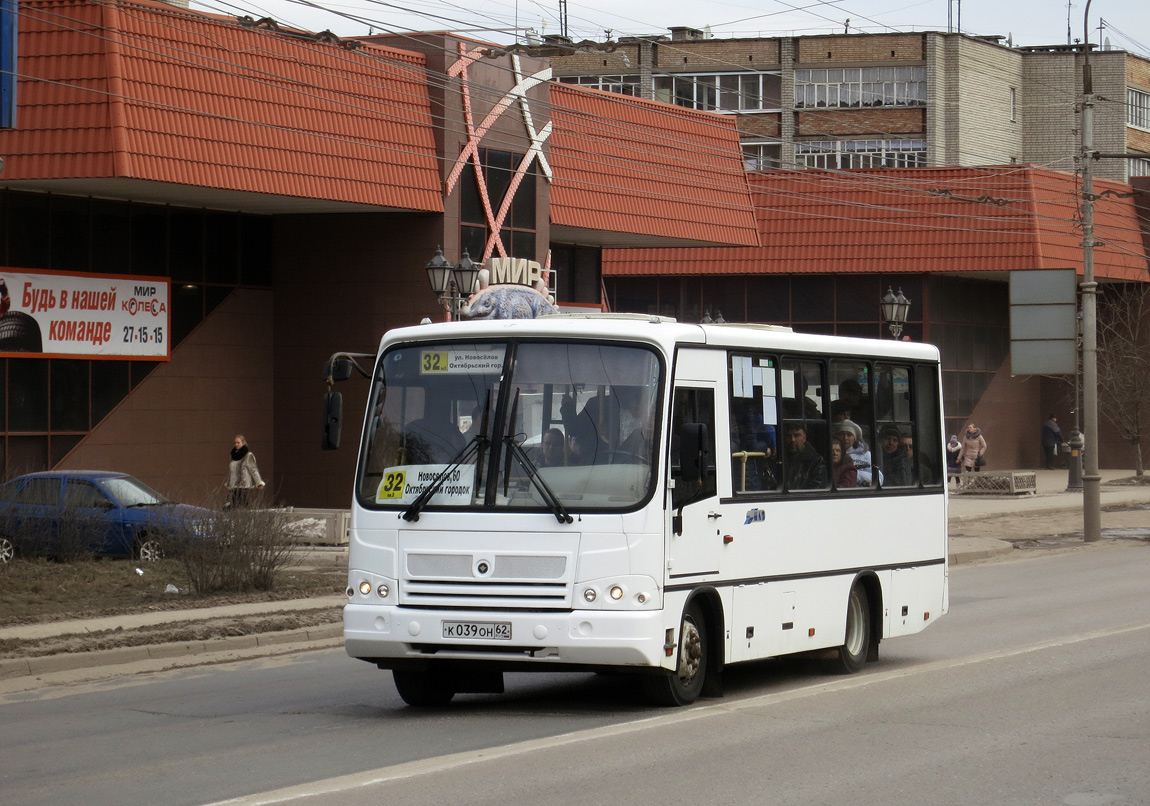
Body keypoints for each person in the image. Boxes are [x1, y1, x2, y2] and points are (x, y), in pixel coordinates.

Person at [784, 423, 828, 490]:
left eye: (796, 435)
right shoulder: (780, 459)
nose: (792, 440)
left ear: (804, 438)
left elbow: (817, 491)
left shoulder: (816, 462)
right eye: (789, 436)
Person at [227, 434, 265, 508]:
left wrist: (259, 482)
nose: (236, 444)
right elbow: (232, 471)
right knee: (235, 503)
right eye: (235, 443)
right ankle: (245, 515)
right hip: (233, 484)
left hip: (243, 484)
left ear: (243, 443)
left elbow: (253, 469)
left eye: (238, 442)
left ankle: (248, 516)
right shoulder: (233, 455)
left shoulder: (248, 455)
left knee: (238, 502)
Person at [836, 419, 874, 487]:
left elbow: (878, 477)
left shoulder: (866, 455)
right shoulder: (834, 454)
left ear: (855, 438)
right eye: (842, 434)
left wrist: (854, 475)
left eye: (849, 435)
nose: (845, 438)